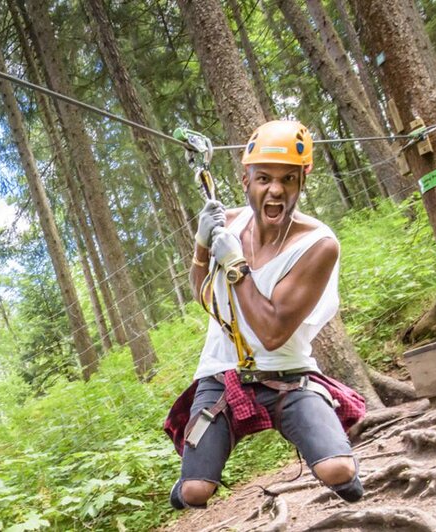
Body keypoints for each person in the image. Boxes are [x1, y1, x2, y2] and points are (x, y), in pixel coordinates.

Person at [164, 120, 367, 510]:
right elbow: (200, 293)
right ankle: (189, 479)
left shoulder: (318, 244)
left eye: (288, 179)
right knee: (194, 493)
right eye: (264, 178)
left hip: (289, 375)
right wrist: (202, 247)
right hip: (221, 375)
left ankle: (344, 474)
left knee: (337, 470)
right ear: (246, 180)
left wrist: (235, 265)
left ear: (302, 182)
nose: (275, 190)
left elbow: (272, 332)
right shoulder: (232, 223)